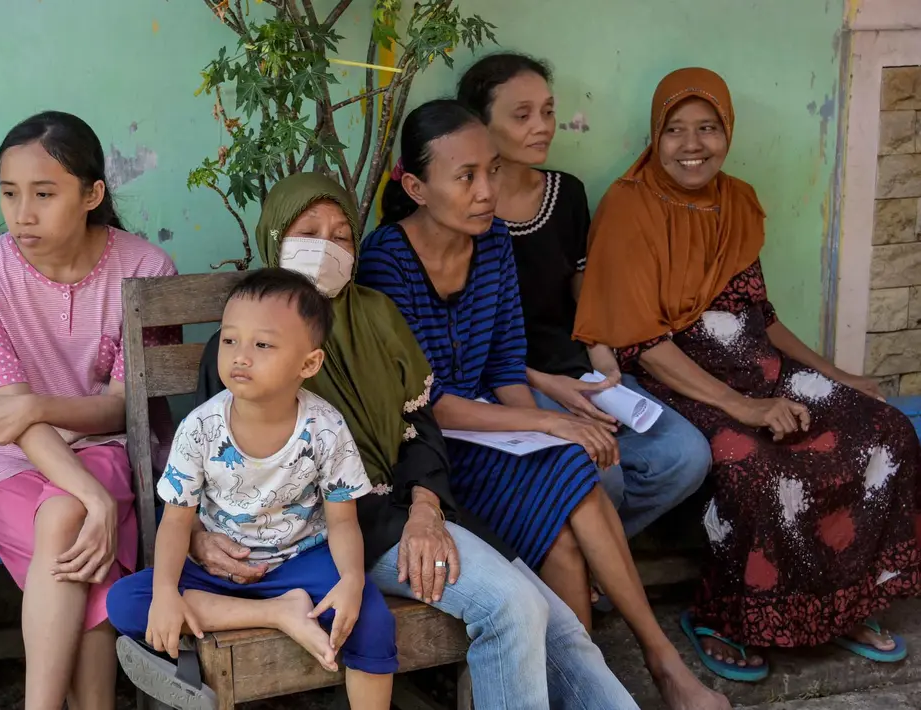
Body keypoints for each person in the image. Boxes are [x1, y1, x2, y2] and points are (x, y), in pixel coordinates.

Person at [181, 172, 636, 709]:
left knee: (561, 627)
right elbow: (210, 467)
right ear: (274, 239)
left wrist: (426, 507)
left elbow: (418, 423)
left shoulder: (375, 314)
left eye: (342, 235)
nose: (326, 248)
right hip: (334, 531)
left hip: (409, 508)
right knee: (511, 607)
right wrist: (196, 537)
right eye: (308, 232)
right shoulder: (239, 350)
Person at [358, 99, 728, 710]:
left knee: (570, 474)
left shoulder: (494, 241)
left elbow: (504, 367)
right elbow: (425, 405)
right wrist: (546, 419)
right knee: (562, 504)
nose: (486, 191)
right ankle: (625, 674)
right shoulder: (386, 259)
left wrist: (554, 429)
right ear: (418, 187)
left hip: (488, 432)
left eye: (492, 171)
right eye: (466, 176)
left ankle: (653, 663)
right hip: (425, 456)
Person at [574, 67, 921, 683]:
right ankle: (725, 617)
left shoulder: (735, 200)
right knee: (755, 466)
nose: (692, 145)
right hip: (680, 381)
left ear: (727, 132)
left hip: (762, 370)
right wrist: (743, 407)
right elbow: (645, 346)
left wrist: (839, 375)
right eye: (675, 130)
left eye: (707, 127)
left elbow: (763, 318)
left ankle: (848, 601)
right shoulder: (629, 207)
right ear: (655, 136)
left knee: (888, 431)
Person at [0, 111, 178, 710]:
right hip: (14, 465)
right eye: (9, 193)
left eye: (44, 194)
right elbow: (10, 426)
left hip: (109, 449)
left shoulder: (145, 271)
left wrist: (35, 405)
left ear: (91, 194)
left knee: (65, 521)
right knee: (76, 524)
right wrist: (96, 498)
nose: (22, 213)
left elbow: (121, 412)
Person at [108, 268, 398, 709]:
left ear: (309, 363)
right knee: (128, 601)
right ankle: (278, 613)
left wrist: (353, 580)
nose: (240, 356)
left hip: (302, 560)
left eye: (262, 344)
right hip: (219, 571)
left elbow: (342, 523)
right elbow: (175, 523)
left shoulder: (325, 427)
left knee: (371, 619)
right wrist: (167, 591)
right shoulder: (200, 428)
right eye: (229, 340)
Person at [458, 52, 710, 538]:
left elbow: (585, 291)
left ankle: (590, 557)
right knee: (601, 471)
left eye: (548, 111)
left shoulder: (566, 193)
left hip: (578, 369)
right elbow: (467, 342)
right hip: (506, 380)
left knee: (686, 456)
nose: (543, 127)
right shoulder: (467, 212)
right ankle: (580, 556)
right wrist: (547, 384)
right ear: (480, 125)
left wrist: (603, 359)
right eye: (522, 114)